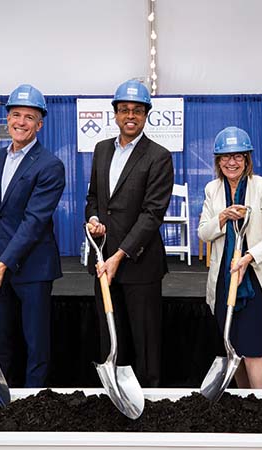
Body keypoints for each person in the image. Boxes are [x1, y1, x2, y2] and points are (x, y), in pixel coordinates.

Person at [0, 83, 66, 388]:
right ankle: (0, 396)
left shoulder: (51, 165)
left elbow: (34, 222)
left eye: (28, 117)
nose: (20, 122)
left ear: (40, 124)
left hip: (32, 267)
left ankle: (34, 401)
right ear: (7, 119)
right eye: (15, 115)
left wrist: (3, 265)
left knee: (35, 341)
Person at [85, 79, 173, 388]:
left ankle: (149, 398)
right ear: (115, 114)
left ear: (146, 114)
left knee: (145, 342)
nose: (130, 115)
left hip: (140, 264)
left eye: (137, 110)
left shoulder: (159, 156)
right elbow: (94, 198)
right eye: (124, 110)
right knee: (110, 337)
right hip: (103, 263)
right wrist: (94, 219)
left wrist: (119, 255)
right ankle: (116, 395)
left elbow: (152, 215)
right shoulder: (101, 149)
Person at [198, 126, 262, 389]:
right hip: (225, 280)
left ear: (247, 159)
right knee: (234, 353)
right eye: (225, 157)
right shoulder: (212, 189)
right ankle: (244, 404)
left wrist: (248, 257)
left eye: (238, 156)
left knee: (253, 352)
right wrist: (222, 217)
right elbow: (204, 233)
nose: (232, 162)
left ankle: (261, 408)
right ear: (218, 161)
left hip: (256, 281)